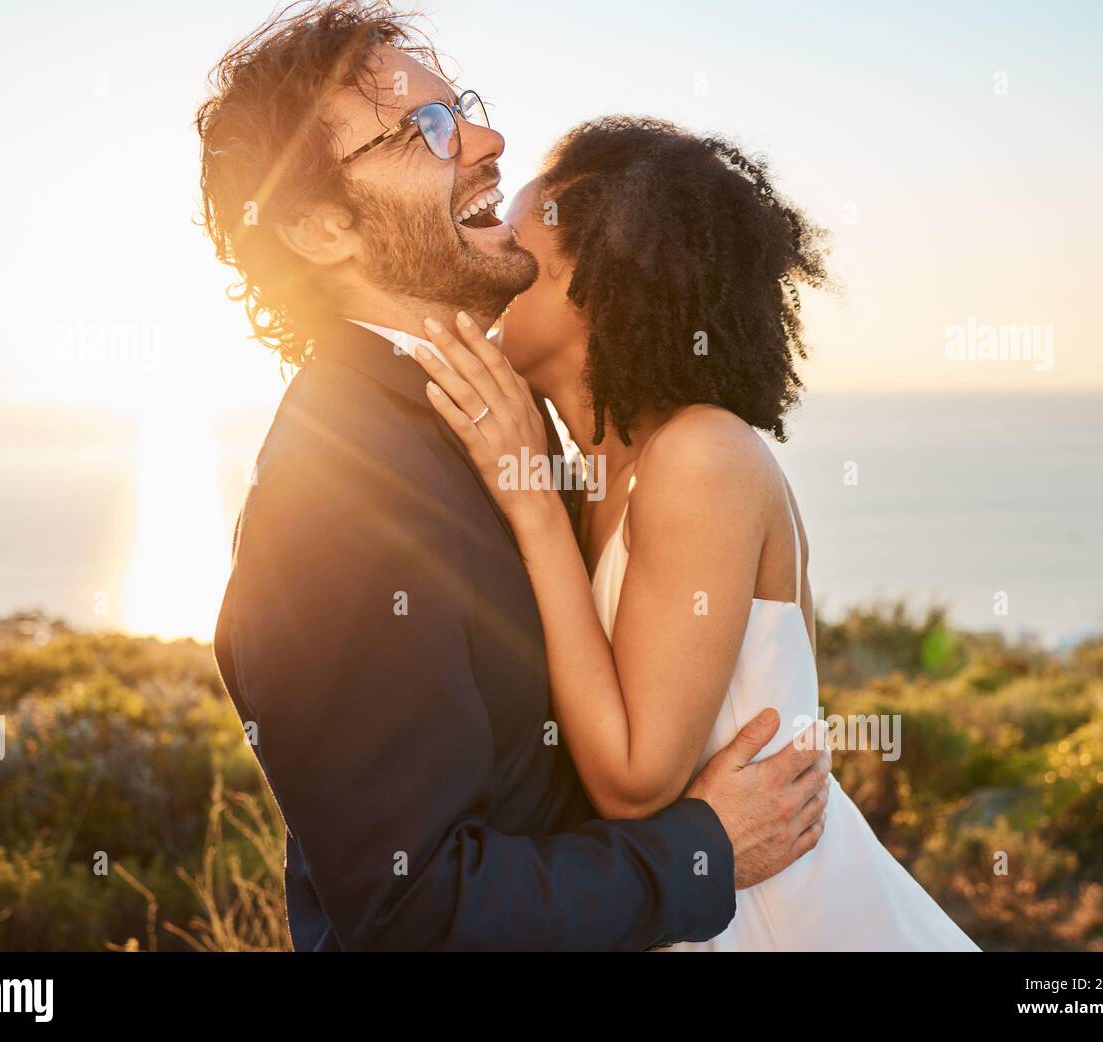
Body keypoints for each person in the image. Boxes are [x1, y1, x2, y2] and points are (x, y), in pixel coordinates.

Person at [198, 1, 829, 951]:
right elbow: (416, 909)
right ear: (322, 229)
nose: (488, 140)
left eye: (468, 109)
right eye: (429, 129)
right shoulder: (336, 497)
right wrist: (700, 854)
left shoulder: (502, 412)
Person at [413, 118, 979, 950]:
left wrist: (528, 505)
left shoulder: (702, 454)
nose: (494, 260)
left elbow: (638, 784)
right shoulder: (591, 473)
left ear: (598, 287)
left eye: (521, 245)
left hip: (778, 920)